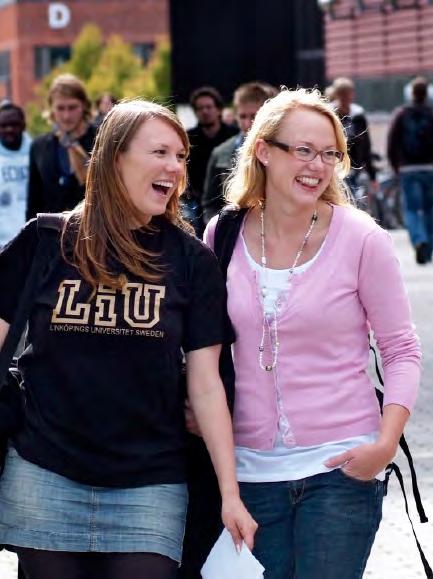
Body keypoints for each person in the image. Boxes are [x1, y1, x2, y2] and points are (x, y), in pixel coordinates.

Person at [0, 99, 256, 579]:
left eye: (181, 157)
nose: (175, 168)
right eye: (160, 153)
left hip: (150, 482)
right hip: (44, 473)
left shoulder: (191, 261)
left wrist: (229, 493)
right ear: (116, 157)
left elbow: (205, 385)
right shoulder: (46, 242)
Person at [203, 88, 421, 578]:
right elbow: (204, 351)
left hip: (342, 469)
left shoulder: (363, 238)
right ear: (263, 150)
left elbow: (401, 348)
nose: (317, 166)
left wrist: (385, 445)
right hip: (250, 474)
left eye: (330, 154)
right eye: (303, 150)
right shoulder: (223, 234)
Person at [387, 76, 433, 264]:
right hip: (429, 169)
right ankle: (429, 250)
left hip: (408, 169)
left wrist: (396, 167)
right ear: (427, 94)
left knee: (411, 209)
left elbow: (392, 145)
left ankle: (419, 240)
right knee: (428, 209)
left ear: (412, 93)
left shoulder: (400, 115)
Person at [26, 73, 97, 220]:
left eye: (72, 107)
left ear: (84, 106)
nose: (66, 116)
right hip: (52, 235)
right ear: (51, 109)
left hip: (94, 232)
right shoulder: (39, 147)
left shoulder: (101, 139)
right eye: (60, 108)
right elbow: (34, 201)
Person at [202, 82, 275, 224]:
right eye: (242, 116)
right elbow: (210, 203)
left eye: (254, 116)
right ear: (235, 116)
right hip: (231, 230)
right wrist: (220, 229)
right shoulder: (220, 153)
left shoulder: (279, 151)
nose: (247, 123)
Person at [185, 87, 238, 235]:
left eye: (209, 107)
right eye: (200, 108)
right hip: (197, 201)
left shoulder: (233, 137)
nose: (205, 111)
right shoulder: (189, 138)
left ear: (219, 109)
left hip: (230, 198)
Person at [331, 77, 377, 205]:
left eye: (349, 93)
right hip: (336, 165)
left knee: (352, 200)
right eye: (343, 94)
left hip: (355, 165)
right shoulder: (330, 114)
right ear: (337, 94)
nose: (347, 97)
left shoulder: (358, 115)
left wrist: (372, 174)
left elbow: (366, 145)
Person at [0, 102, 31, 248]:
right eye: (3, 125)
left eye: (14, 124)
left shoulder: (38, 152)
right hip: (3, 244)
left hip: (35, 241)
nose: (9, 129)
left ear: (23, 125)